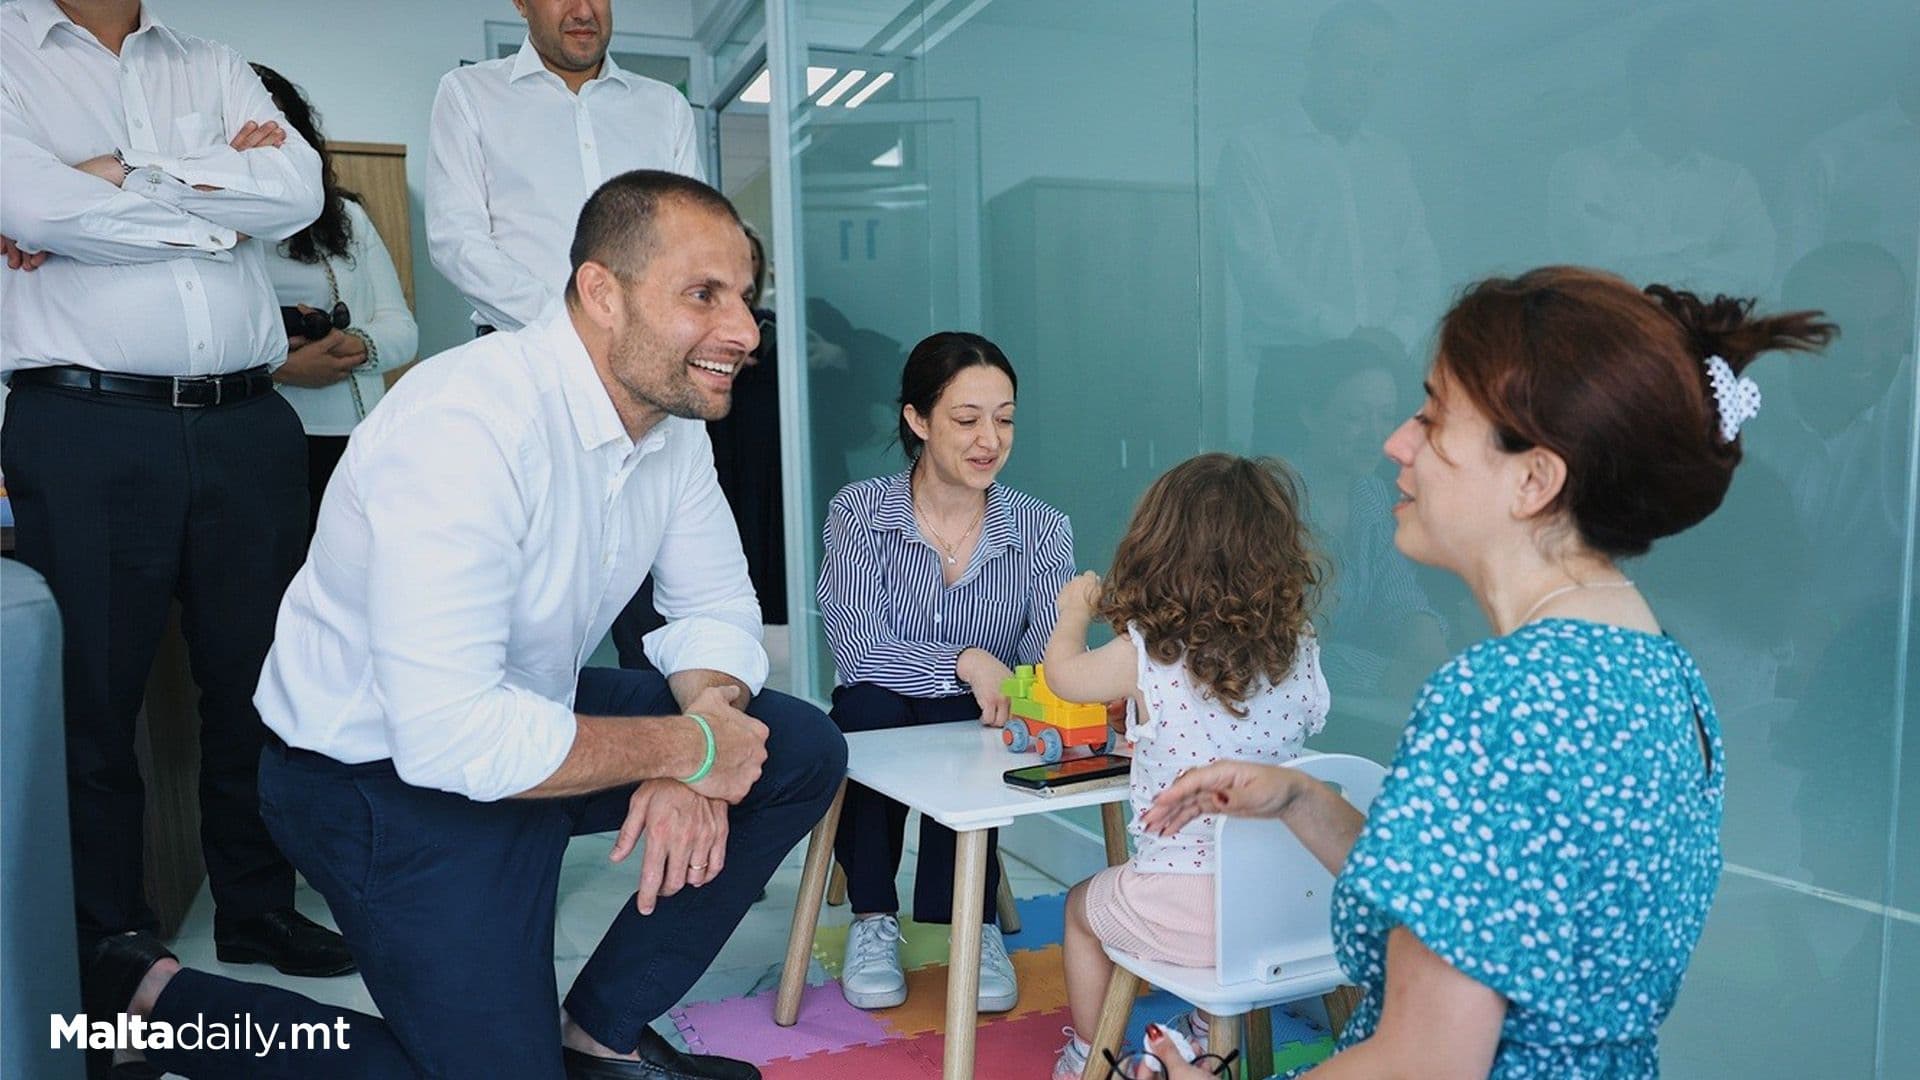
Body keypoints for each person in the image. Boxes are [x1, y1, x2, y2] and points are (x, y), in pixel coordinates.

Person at [85, 171, 848, 1080]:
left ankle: (598, 1040)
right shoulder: (466, 422)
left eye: (746, 299)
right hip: (374, 775)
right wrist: (686, 748)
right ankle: (161, 1001)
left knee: (797, 747)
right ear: (602, 293)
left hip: (525, 718)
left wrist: (706, 733)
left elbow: (714, 608)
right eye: (703, 295)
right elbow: (450, 736)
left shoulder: (670, 426)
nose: (745, 332)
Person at [1141, 266, 1832, 1078]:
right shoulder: (1660, 666)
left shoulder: (1502, 697)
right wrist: (1302, 799)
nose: (1397, 443)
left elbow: (1428, 1061)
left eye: (1433, 418)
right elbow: (1495, 914)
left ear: (1534, 478)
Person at [0, 0, 353, 985]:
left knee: (259, 684)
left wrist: (119, 174)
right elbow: (35, 211)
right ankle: (113, 939)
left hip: (247, 422)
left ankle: (258, 908)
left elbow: (294, 193)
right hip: (87, 423)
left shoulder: (213, 60)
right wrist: (215, 206)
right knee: (93, 698)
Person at [1037, 454, 1332, 1080]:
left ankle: (1089, 1055)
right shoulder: (1300, 646)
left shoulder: (1146, 653)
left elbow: (1062, 676)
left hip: (1189, 905)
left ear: (1158, 550)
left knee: (1080, 910)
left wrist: (1072, 613)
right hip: (1290, 908)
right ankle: (1202, 1030)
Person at [816, 331, 1075, 1014]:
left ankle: (970, 918)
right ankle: (874, 915)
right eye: (967, 419)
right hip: (881, 710)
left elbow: (1043, 661)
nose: (990, 439)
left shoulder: (1042, 529)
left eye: (1004, 419)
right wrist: (965, 660)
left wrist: (1001, 677)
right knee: (867, 706)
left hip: (980, 722)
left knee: (961, 712)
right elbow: (859, 650)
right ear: (918, 419)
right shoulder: (859, 513)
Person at [426, 0, 703, 335]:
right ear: (521, 3)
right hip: (524, 345)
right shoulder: (469, 94)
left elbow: (693, 238)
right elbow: (456, 240)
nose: (583, 12)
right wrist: (566, 324)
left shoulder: (666, 107)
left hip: (646, 345)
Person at [251, 63, 419, 531]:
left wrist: (357, 345)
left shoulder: (346, 216)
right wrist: (279, 369)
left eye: (281, 127)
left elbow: (403, 330)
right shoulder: (210, 224)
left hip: (355, 438)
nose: (269, 141)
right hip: (258, 440)